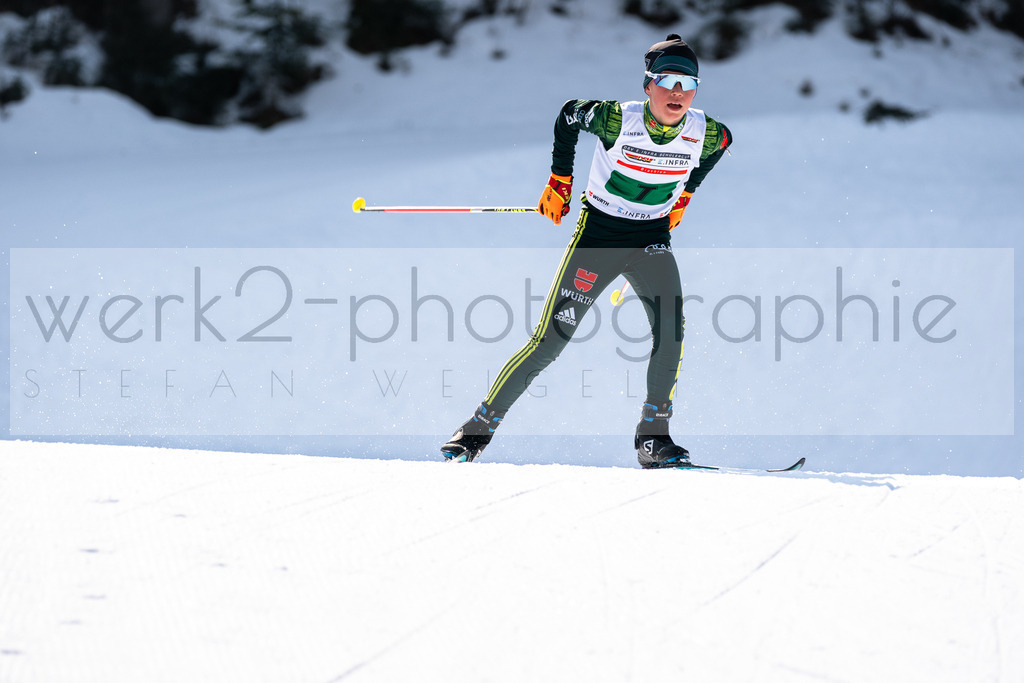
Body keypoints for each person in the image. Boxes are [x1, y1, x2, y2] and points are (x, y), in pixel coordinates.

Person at [441, 34, 733, 468]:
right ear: (648, 84)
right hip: (598, 237)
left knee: (671, 333)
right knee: (551, 342)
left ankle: (653, 439)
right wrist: (559, 180)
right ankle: (475, 431)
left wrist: (686, 195)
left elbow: (716, 150)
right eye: (668, 80)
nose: (678, 92)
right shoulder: (616, 118)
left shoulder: (709, 133)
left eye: (688, 83)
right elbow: (567, 115)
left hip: (651, 238)